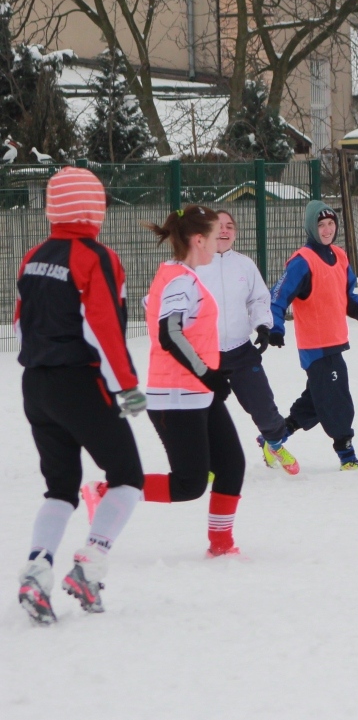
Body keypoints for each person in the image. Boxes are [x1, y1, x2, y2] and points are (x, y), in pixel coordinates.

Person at [16, 167, 146, 623]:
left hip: (35, 383)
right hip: (80, 380)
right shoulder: (96, 257)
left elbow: (19, 323)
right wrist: (127, 386)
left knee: (60, 488)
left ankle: (38, 567)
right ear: (94, 208)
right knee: (128, 476)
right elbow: (103, 327)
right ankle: (89, 566)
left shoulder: (32, 256)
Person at [140, 205, 246, 555]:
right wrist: (208, 374)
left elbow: (163, 316)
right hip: (176, 395)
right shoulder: (181, 280)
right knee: (190, 484)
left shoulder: (177, 274)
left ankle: (221, 544)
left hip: (197, 392)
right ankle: (113, 490)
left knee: (231, 465)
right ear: (199, 240)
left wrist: (209, 378)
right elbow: (169, 332)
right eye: (215, 236)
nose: (220, 242)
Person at [269, 200, 358, 469]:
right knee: (337, 399)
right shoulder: (302, 261)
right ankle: (346, 454)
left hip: (335, 341)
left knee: (317, 399)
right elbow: (277, 298)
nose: (326, 229)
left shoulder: (339, 256)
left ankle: (274, 439)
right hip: (315, 345)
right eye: (320, 224)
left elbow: (348, 300)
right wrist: (275, 328)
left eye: (330, 223)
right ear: (311, 228)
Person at [196, 210, 298, 474]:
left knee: (263, 406)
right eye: (218, 226)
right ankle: (206, 461)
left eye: (230, 226)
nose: (224, 230)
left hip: (240, 350)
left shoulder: (244, 264)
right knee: (203, 410)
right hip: (204, 354)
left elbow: (259, 299)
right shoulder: (193, 265)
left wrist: (263, 327)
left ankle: (273, 443)